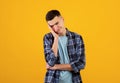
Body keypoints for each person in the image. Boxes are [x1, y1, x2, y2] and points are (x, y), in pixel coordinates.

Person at [43, 10, 85, 83]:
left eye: (57, 23)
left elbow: (81, 64)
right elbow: (50, 62)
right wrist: (56, 38)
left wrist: (56, 67)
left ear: (62, 19)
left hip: (74, 80)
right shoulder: (48, 38)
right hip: (53, 80)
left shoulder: (77, 38)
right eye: (52, 26)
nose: (56, 28)